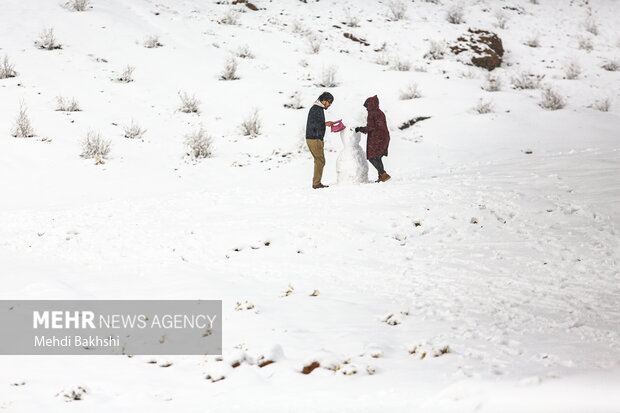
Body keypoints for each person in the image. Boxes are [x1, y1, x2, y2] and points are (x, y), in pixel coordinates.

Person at [355, 95, 391, 182]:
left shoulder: (372, 113)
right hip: (383, 137)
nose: (366, 109)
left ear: (370, 105)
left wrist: (360, 129)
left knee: (372, 157)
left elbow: (370, 127)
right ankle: (381, 176)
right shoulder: (380, 112)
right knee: (377, 157)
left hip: (377, 138)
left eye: (367, 106)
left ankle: (383, 174)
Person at [305, 92, 335, 189]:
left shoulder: (317, 109)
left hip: (314, 138)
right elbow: (314, 124)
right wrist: (325, 124)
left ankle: (316, 183)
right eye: (329, 102)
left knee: (320, 160)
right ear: (323, 100)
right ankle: (316, 184)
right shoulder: (316, 109)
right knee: (320, 160)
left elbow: (316, 123)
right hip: (314, 138)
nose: (329, 104)